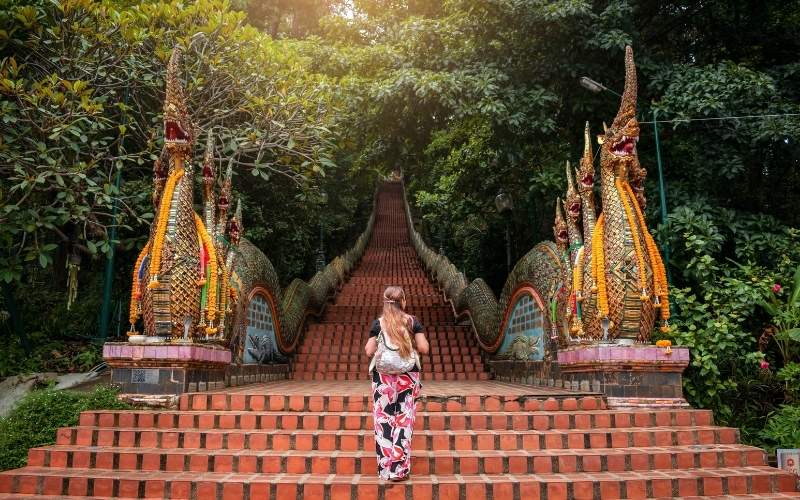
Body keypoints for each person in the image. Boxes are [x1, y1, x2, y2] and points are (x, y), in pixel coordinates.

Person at [364, 285, 430, 481]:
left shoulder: (378, 323)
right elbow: (424, 348)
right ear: (403, 302)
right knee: (404, 420)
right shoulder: (412, 322)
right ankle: (399, 470)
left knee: (383, 420)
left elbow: (368, 351)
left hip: (383, 378)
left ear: (385, 302)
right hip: (408, 377)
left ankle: (385, 470)